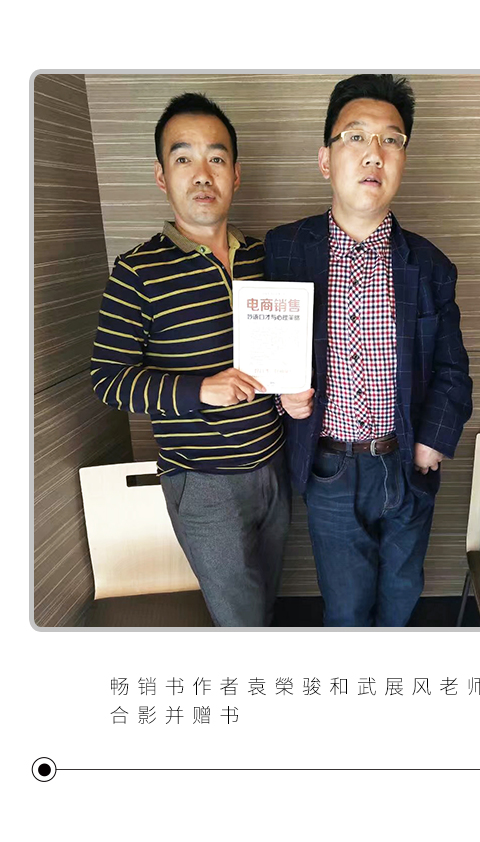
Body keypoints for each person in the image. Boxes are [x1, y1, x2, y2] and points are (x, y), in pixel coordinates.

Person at [265, 74, 472, 627]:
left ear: (403, 160)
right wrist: (281, 395)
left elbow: (453, 368)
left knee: (403, 592)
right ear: (325, 159)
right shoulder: (284, 249)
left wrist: (431, 443)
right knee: (346, 606)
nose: (373, 153)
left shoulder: (430, 265)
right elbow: (260, 346)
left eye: (391, 140)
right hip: (328, 464)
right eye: (355, 137)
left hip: (407, 461)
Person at [91, 93, 290, 627]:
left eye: (216, 158)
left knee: (269, 602)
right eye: (184, 158)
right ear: (162, 175)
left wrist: (295, 391)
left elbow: (290, 350)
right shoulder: (137, 271)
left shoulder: (265, 256)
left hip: (274, 465)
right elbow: (108, 379)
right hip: (203, 483)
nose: (203, 174)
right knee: (241, 621)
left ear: (236, 174)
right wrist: (199, 388)